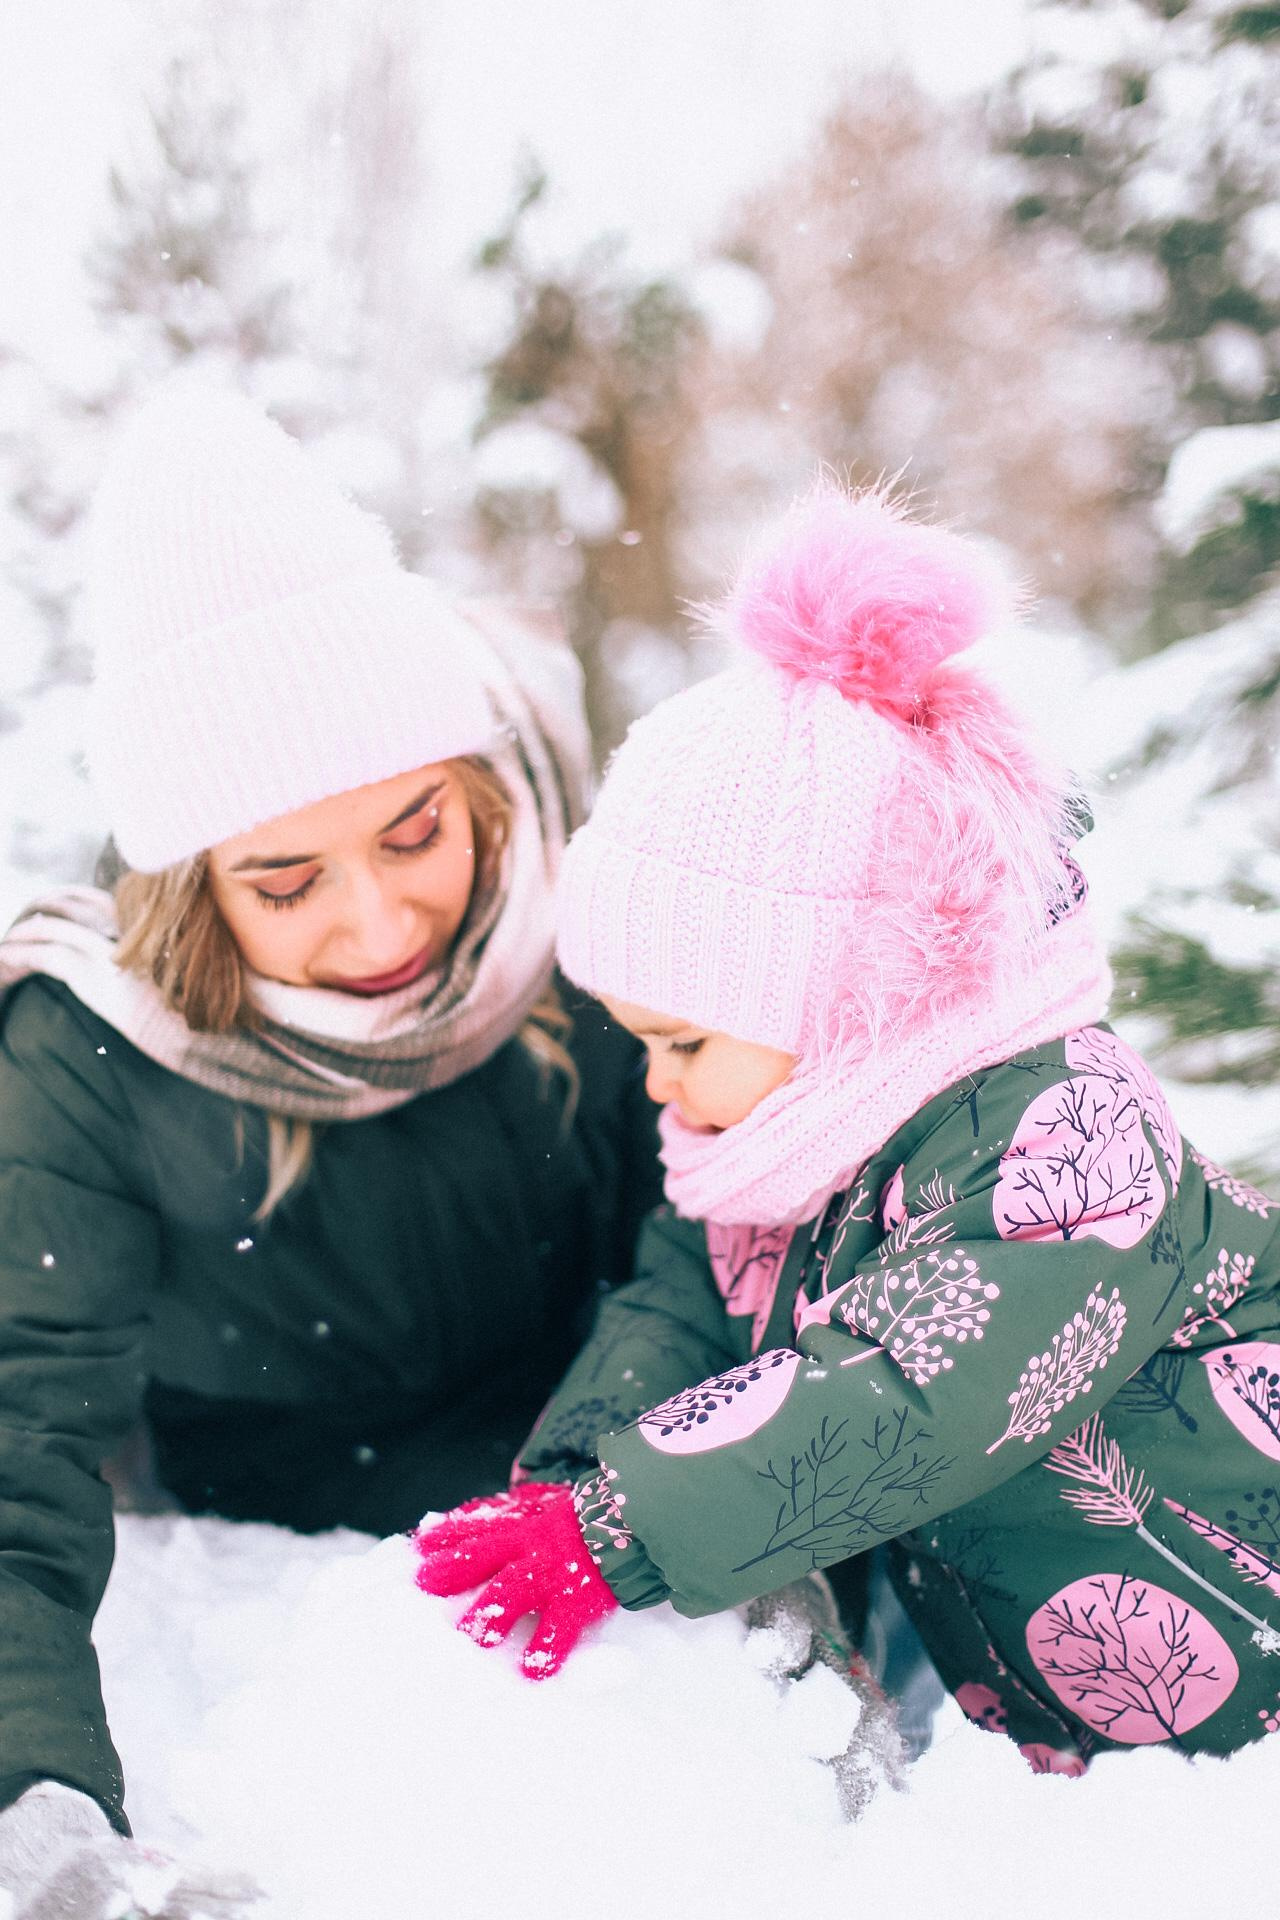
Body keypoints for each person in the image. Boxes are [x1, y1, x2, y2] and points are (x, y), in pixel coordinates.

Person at [417, 485, 1280, 1774]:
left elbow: (911, 1395)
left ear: (845, 997)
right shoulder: (790, 1141)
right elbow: (683, 1311)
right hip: (1066, 1726)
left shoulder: (1073, 1147)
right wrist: (572, 1481)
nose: (657, 1085)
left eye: (683, 1041)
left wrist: (625, 1530)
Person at [0, 388, 660, 1906]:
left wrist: (623, 1482)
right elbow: (17, 1448)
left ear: (485, 790)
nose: (376, 929)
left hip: (600, 1492)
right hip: (285, 1535)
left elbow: (716, 1252)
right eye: (285, 881)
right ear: (190, 883)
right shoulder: (93, 1050)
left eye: (417, 834)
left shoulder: (593, 920)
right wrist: (30, 1805)